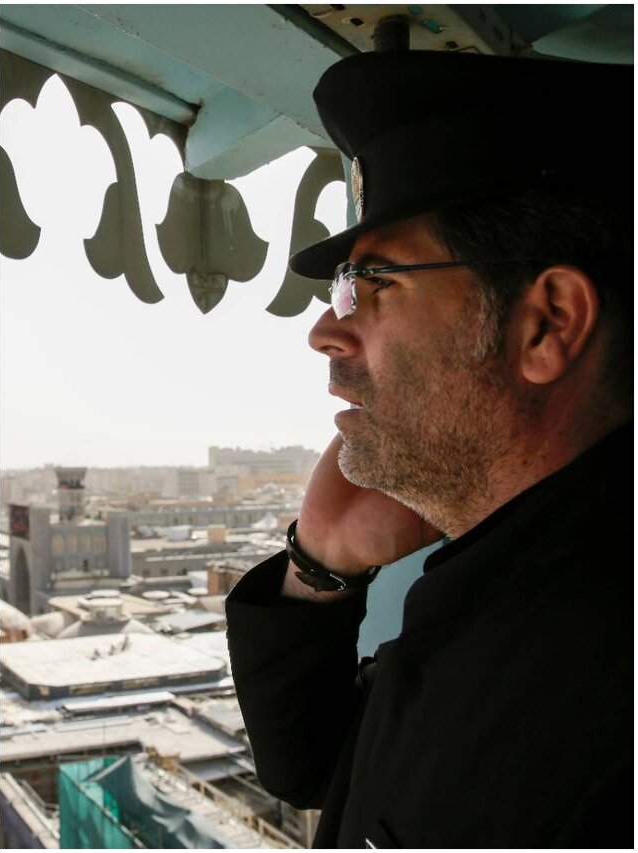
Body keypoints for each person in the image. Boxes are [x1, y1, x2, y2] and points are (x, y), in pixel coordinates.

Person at [224, 52, 632, 848]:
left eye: (374, 283)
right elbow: (326, 774)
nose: (325, 330)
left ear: (546, 323)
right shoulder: (508, 577)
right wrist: (321, 565)